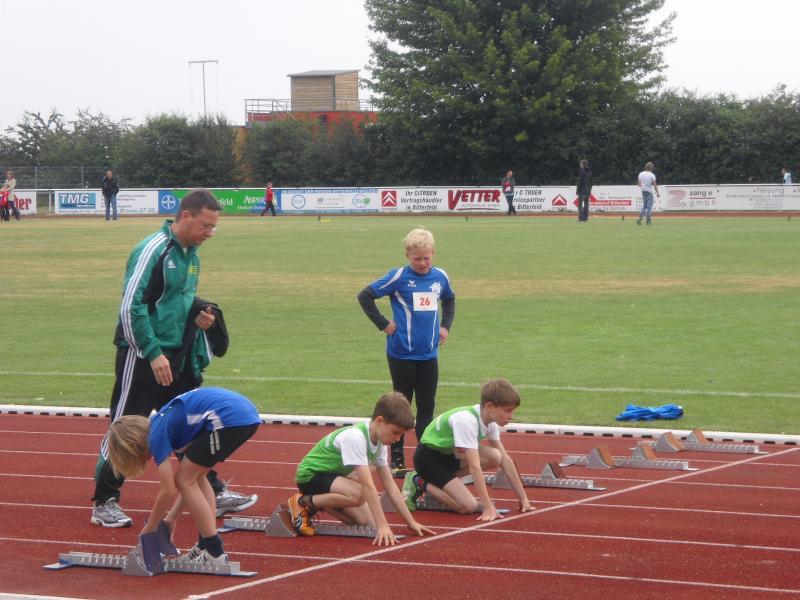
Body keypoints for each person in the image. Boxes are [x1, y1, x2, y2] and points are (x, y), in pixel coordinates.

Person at [91, 189, 257, 528]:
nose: (210, 233)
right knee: (124, 424)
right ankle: (104, 501)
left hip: (176, 354)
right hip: (142, 354)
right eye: (206, 225)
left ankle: (212, 489)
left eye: (214, 227)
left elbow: (177, 300)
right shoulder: (153, 249)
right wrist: (152, 353)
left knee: (188, 423)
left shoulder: (191, 255)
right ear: (185, 216)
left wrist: (199, 314)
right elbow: (131, 306)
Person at [106, 387, 261, 566]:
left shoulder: (157, 434)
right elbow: (190, 485)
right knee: (195, 479)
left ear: (134, 445)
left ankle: (214, 552)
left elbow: (168, 491)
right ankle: (206, 546)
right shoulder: (173, 429)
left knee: (184, 479)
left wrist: (149, 529)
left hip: (230, 417)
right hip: (243, 414)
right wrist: (171, 518)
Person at [357, 227, 455, 477]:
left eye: (426, 258)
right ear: (407, 255)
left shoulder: (440, 277)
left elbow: (449, 300)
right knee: (400, 408)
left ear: (433, 253)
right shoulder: (399, 277)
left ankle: (425, 458)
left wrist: (445, 327)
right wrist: (383, 324)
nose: (422, 263)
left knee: (427, 408)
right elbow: (365, 296)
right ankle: (397, 458)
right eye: (417, 258)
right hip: (401, 355)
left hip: (429, 355)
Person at [287, 391, 436, 545]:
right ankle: (303, 502)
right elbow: (367, 485)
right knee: (360, 495)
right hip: (310, 476)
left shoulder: (380, 444)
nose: (398, 439)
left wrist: (411, 522)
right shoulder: (355, 438)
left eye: (401, 435)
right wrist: (383, 526)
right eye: (395, 432)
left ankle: (320, 503)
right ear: (379, 421)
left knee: (367, 524)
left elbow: (390, 485)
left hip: (335, 479)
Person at [402, 378, 533, 521]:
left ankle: (444, 483)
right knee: (468, 506)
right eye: (507, 411)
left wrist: (523, 498)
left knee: (496, 456)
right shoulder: (467, 421)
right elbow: (474, 466)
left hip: (449, 456)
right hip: (428, 460)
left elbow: (505, 460)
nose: (511, 416)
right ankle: (419, 481)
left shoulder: (490, 422)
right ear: (489, 406)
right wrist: (487, 506)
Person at [637, 161, 660, 226]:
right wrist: (657, 193)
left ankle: (639, 219)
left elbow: (639, 184)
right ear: (651, 168)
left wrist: (643, 187)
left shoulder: (641, 174)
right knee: (649, 207)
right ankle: (648, 221)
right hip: (649, 192)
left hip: (643, 191)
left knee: (644, 206)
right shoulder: (652, 175)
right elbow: (655, 185)